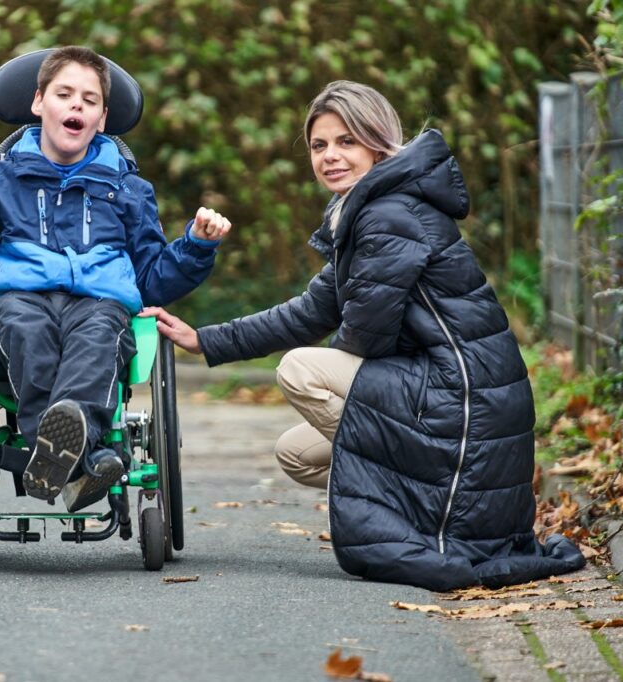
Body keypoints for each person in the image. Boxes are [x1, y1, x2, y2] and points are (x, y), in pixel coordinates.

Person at [145, 80, 584, 590]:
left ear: (378, 143)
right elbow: (314, 309)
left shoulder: (387, 214)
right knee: (296, 452)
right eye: (319, 145)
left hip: (462, 402)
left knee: (299, 369)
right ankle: (413, 488)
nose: (331, 156)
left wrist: (351, 372)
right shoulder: (365, 211)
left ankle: (426, 497)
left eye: (346, 141)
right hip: (445, 397)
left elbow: (365, 338)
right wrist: (208, 340)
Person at [0, 46, 231, 512]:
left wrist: (197, 246)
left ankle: (58, 455)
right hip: (19, 299)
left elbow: (151, 280)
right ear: (39, 102)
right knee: (26, 328)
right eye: (64, 94)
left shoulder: (128, 190)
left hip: (101, 304)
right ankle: (87, 457)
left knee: (99, 335)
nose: (76, 105)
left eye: (89, 99)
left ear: (102, 118)